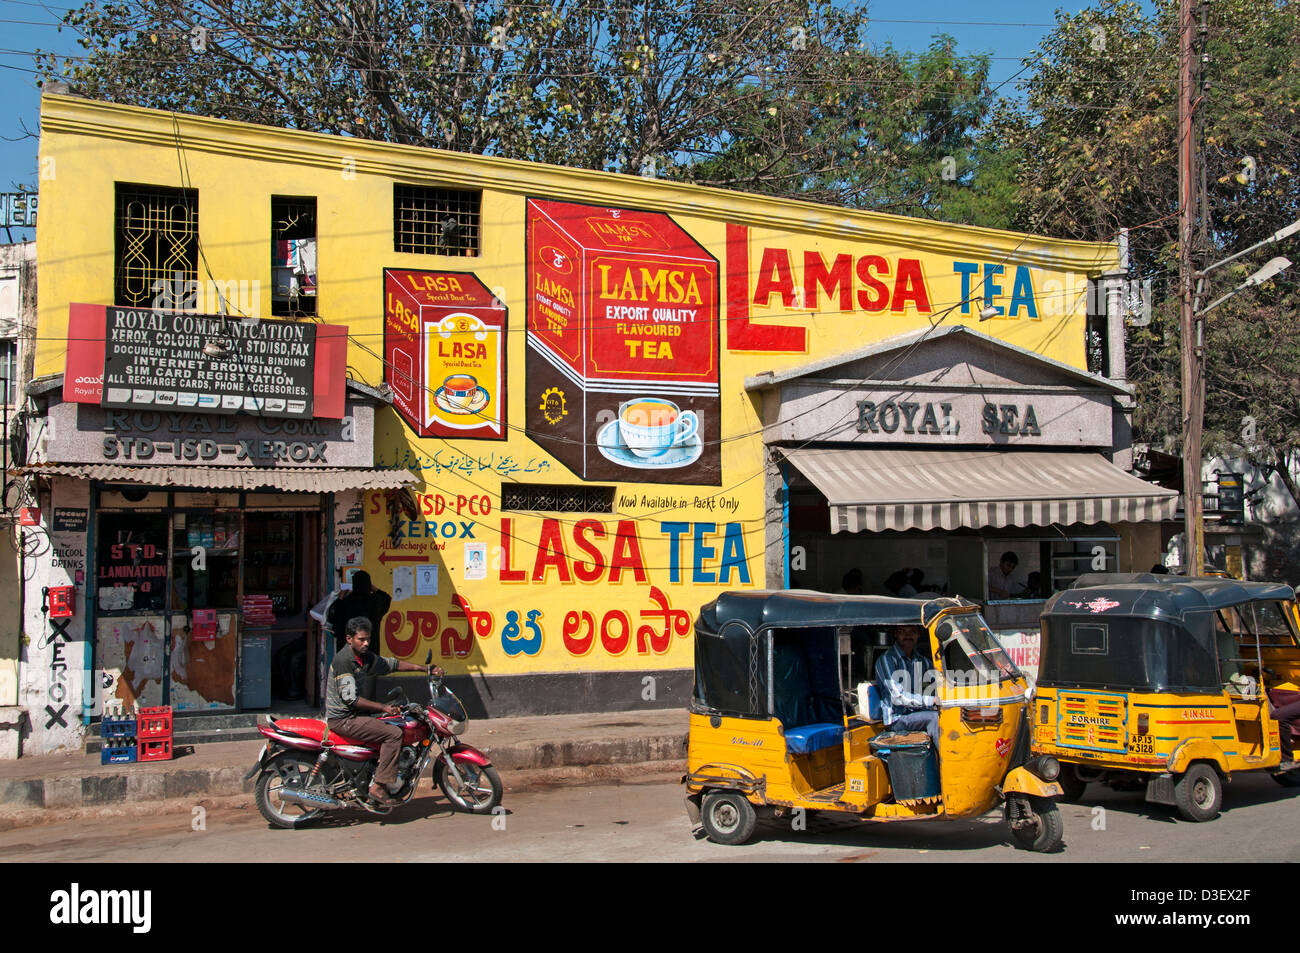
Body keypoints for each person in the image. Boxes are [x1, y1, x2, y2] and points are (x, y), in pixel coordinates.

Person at [325, 616, 441, 805]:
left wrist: (425, 669)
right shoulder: (344, 661)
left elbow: (392, 664)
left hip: (356, 715)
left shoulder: (365, 657)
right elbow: (351, 699)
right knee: (393, 734)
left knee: (395, 720)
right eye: (361, 639)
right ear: (349, 639)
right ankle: (378, 787)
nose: (366, 643)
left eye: (368, 639)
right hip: (344, 719)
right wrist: (383, 707)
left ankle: (378, 772)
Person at [874, 624, 939, 748]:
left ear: (918, 634)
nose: (908, 635)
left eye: (912, 631)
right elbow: (898, 697)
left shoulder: (923, 661)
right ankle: (945, 763)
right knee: (934, 717)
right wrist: (933, 700)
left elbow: (937, 683)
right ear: (896, 634)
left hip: (918, 714)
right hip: (898, 719)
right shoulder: (887, 660)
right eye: (903, 631)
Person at [328, 570, 393, 652]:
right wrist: (372, 587)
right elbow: (386, 598)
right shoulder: (375, 603)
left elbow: (333, 616)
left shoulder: (346, 603)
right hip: (370, 653)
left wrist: (340, 597)